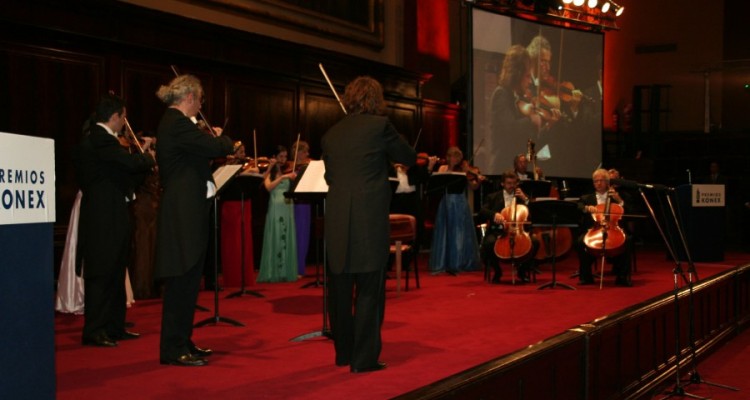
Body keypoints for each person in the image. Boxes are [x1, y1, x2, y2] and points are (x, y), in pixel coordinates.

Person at [321, 76, 415, 373]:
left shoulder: (330, 134)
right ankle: (364, 359)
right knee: (369, 291)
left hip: (336, 219)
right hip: (368, 220)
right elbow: (407, 156)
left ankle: (344, 353)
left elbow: (330, 178)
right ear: (375, 100)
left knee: (339, 289)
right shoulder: (380, 126)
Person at [154, 74, 234, 366]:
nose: (201, 105)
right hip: (181, 212)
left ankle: (183, 340)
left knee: (188, 280)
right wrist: (222, 138)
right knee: (181, 279)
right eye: (200, 100)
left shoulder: (179, 126)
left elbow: (199, 154)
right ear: (189, 98)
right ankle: (173, 348)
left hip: (188, 210)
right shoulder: (176, 124)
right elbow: (216, 148)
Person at [73, 93, 156, 347]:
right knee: (101, 273)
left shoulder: (105, 144)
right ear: (114, 117)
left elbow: (123, 176)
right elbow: (130, 163)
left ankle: (114, 326)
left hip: (113, 214)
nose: (124, 123)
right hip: (102, 217)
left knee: (116, 270)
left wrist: (139, 162)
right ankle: (95, 330)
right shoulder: (100, 140)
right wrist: (147, 154)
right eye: (123, 117)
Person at [428, 146, 481, 275]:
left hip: (460, 203)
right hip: (446, 201)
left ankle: (457, 262)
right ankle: (444, 262)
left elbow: (473, 186)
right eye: (452, 156)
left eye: (457, 156)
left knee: (459, 233)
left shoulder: (464, 170)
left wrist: (477, 179)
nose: (455, 159)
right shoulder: (442, 168)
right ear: (448, 157)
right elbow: (436, 183)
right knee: (445, 231)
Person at [576, 168, 632, 287]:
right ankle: (586, 276)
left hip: (614, 229)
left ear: (608, 182)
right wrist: (586, 208)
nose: (599, 183)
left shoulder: (618, 196)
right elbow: (578, 206)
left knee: (627, 240)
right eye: (596, 181)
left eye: (601, 180)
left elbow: (630, 211)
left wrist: (619, 201)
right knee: (581, 242)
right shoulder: (587, 198)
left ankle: (622, 277)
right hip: (594, 230)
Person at [479, 170, 538, 284]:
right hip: (499, 232)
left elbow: (534, 212)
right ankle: (497, 271)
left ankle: (522, 271)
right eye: (508, 183)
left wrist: (526, 199)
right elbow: (482, 211)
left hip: (519, 231)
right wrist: (494, 214)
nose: (512, 186)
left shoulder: (522, 196)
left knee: (535, 242)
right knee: (489, 243)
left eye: (514, 183)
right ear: (502, 184)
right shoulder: (493, 197)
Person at [489, 45, 544, 161]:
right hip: (503, 170)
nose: (530, 81)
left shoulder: (514, 98)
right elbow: (511, 129)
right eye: (527, 76)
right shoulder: (501, 94)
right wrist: (531, 120)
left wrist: (546, 127)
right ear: (517, 74)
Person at [219, 142, 260, 288]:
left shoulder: (247, 166)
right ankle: (233, 278)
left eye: (243, 151)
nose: (242, 155)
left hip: (245, 204)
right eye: (239, 151)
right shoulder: (225, 167)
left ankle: (245, 278)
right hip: (231, 206)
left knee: (245, 242)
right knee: (233, 243)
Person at [257, 145, 298, 283]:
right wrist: (281, 176)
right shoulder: (270, 172)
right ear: (274, 157)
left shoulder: (288, 170)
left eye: (285, 156)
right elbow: (268, 187)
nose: (284, 159)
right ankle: (272, 271)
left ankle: (286, 271)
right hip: (275, 207)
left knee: (286, 236)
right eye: (281, 156)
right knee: (276, 235)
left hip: (287, 206)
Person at [292, 140, 313, 277]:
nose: (307, 154)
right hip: (289, 203)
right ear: (297, 152)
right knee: (291, 235)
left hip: (303, 203)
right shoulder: (290, 165)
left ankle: (300, 267)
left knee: (302, 235)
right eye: (305, 151)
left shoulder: (309, 165)